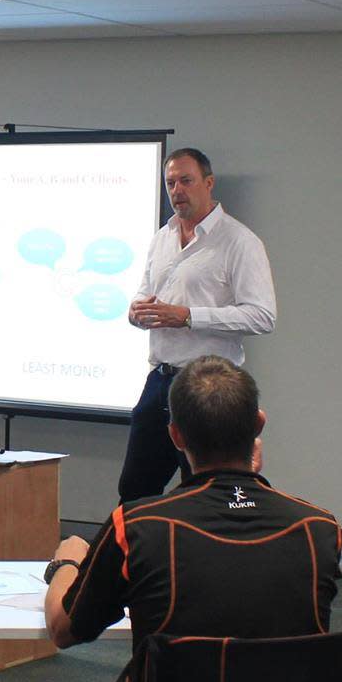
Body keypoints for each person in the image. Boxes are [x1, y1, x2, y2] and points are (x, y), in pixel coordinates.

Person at [46, 355, 339, 682]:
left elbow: (65, 631)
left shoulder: (136, 526)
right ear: (258, 424)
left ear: (175, 435)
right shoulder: (319, 529)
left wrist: (66, 563)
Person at [117, 147, 276, 505]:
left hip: (208, 385)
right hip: (160, 380)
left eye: (186, 181)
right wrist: (136, 312)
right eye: (170, 183)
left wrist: (188, 316)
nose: (177, 190)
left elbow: (262, 316)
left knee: (208, 490)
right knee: (134, 490)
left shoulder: (239, 242)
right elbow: (145, 296)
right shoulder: (162, 238)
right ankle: (134, 558)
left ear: (208, 183)